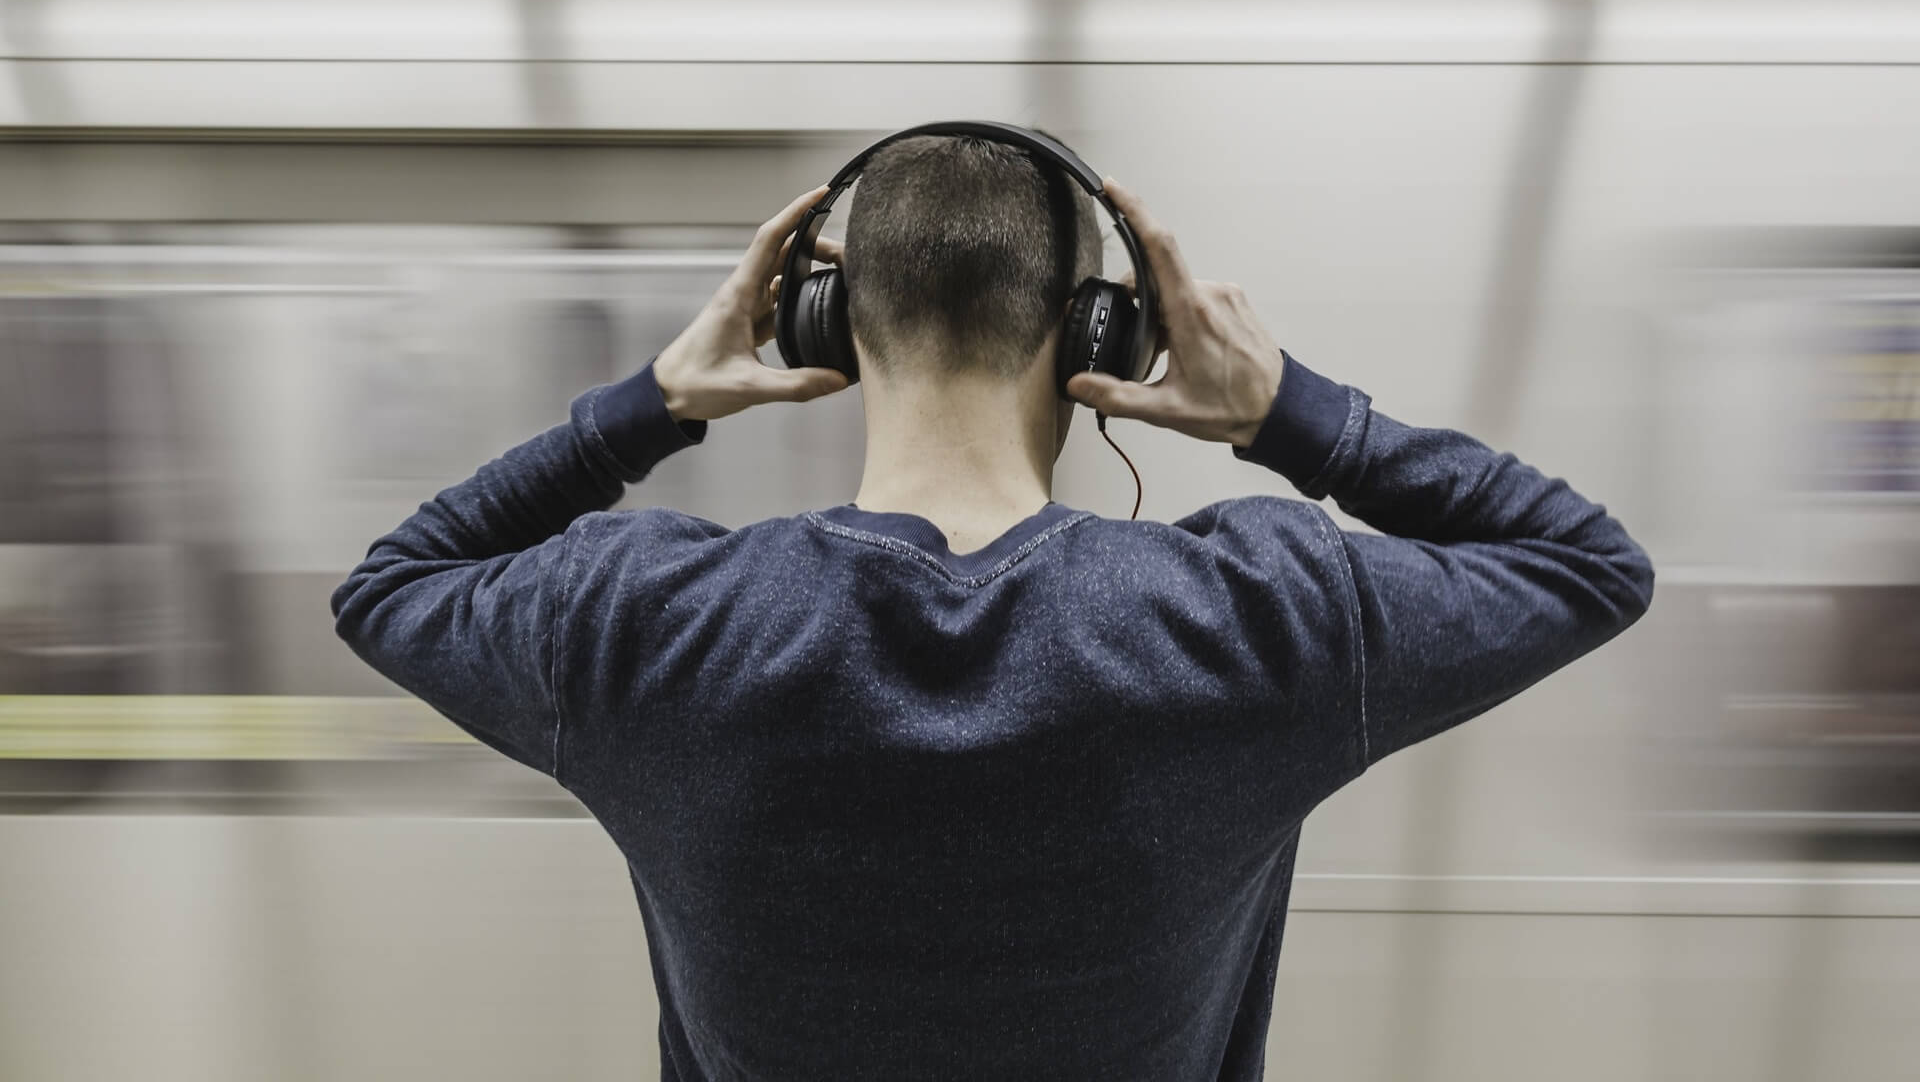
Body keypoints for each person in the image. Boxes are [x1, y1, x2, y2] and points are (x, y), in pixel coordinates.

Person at [331, 134, 1654, 1081]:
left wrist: (654, 403)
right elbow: (1586, 564)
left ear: (826, 324)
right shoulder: (1257, 616)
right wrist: (1289, 414)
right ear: (1098, 338)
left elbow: (391, 585)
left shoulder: (645, 621)